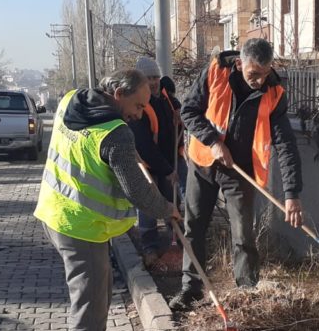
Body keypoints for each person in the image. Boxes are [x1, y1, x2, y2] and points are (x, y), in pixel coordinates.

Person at [34, 69, 180, 331]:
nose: (141, 113)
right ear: (118, 94)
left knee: (99, 297)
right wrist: (167, 208)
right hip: (80, 228)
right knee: (90, 305)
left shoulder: (71, 101)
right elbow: (138, 191)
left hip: (56, 214)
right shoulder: (116, 133)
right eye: (138, 105)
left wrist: (127, 159)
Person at [170, 38, 303, 311]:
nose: (259, 81)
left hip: (241, 172)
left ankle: (247, 294)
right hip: (203, 162)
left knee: (243, 233)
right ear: (240, 64)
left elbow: (286, 145)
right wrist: (213, 142)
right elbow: (189, 111)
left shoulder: (274, 92)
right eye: (254, 74)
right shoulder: (215, 72)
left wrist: (292, 193)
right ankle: (190, 290)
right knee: (194, 227)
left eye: (264, 74)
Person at [129, 56, 176, 267]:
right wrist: (167, 169)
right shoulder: (140, 106)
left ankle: (175, 241)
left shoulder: (163, 98)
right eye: (148, 78)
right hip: (147, 165)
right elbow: (145, 146)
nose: (154, 81)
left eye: (156, 77)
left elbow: (173, 110)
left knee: (171, 202)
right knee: (148, 207)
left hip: (166, 162)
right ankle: (150, 248)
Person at [159, 74, 188, 197]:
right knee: (183, 184)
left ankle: (180, 203)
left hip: (172, 151)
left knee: (179, 184)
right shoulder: (171, 102)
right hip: (172, 152)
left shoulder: (170, 103)